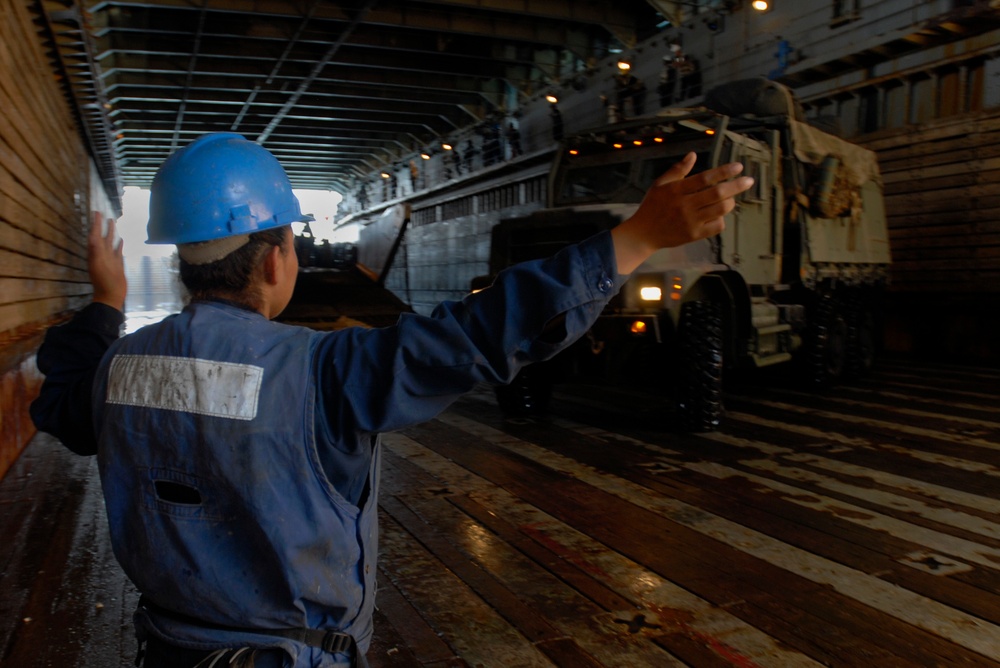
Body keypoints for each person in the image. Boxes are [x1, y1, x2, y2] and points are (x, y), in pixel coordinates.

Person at [30, 132, 752, 668]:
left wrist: (105, 303)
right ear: (280, 257)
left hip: (165, 652)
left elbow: (57, 392)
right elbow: (476, 334)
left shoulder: (116, 372)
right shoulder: (323, 373)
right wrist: (635, 240)